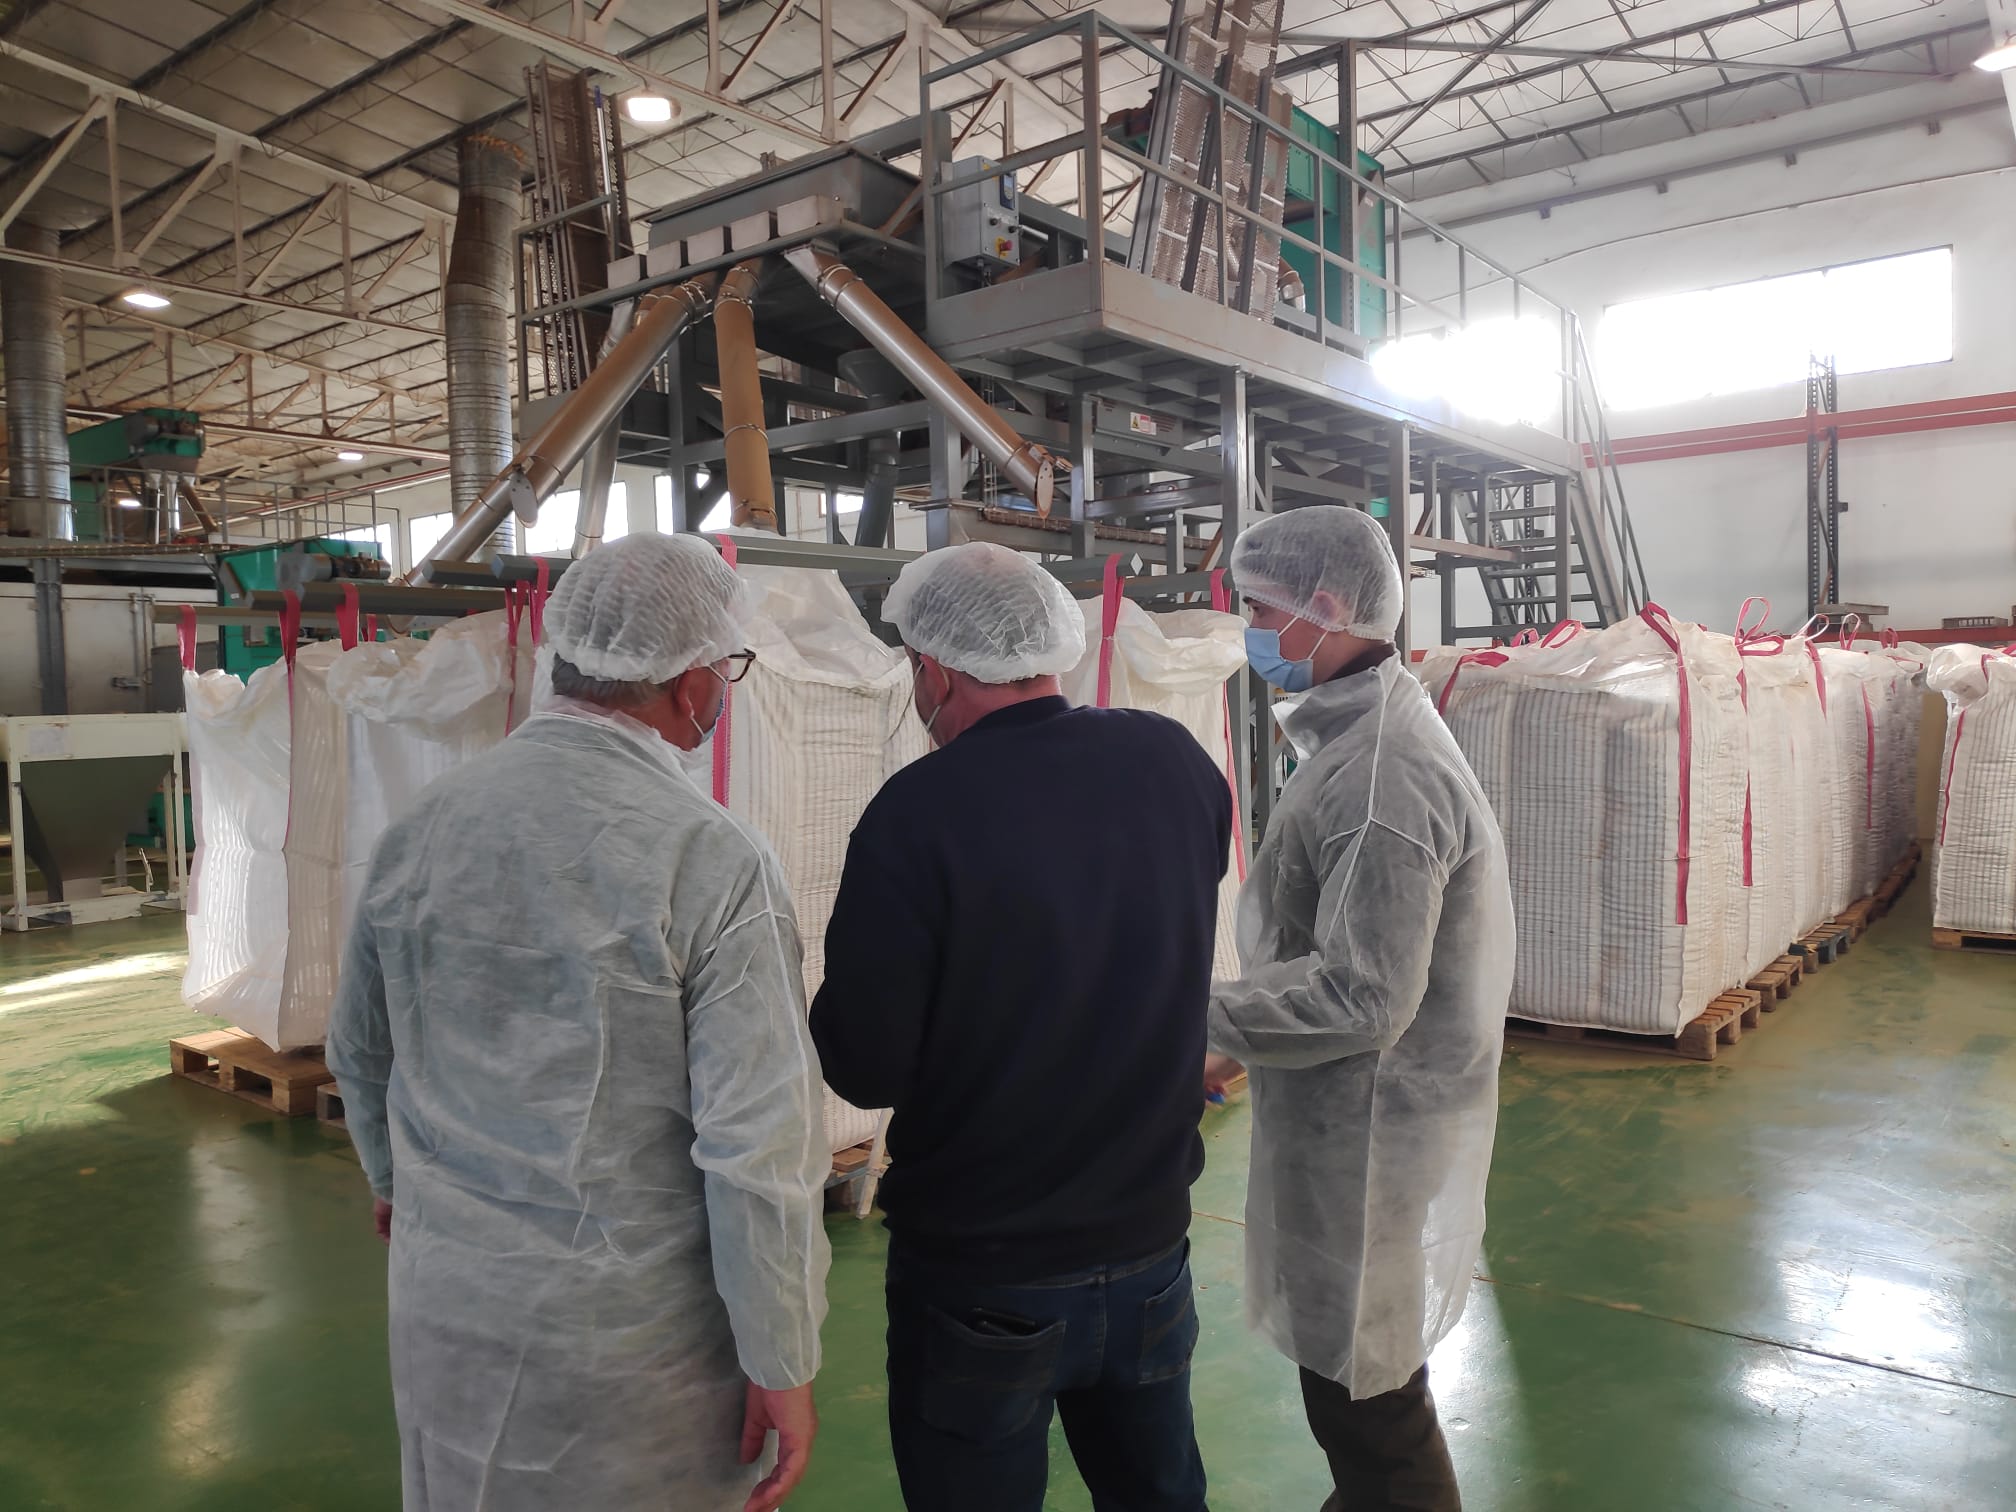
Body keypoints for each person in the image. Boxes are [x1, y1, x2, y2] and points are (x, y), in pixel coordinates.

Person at [327, 533, 832, 1512]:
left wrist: (394, 1180)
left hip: (450, 1312)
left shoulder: (423, 827)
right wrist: (781, 1355)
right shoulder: (711, 859)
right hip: (631, 1352)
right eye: (726, 669)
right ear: (690, 686)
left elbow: (360, 1047)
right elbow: (755, 1147)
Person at [810, 542, 1231, 1512]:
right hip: (1151, 1250)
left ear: (938, 668)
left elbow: (866, 1064)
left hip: (982, 1276)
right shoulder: (1173, 763)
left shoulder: (916, 813)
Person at [1204, 505, 1513, 1512]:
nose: (1251, 633)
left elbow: (1364, 993)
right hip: (1355, 1117)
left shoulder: (1382, 772)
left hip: (1372, 1132)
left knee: (1368, 1402)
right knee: (1354, 1386)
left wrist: (1197, 1021)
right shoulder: (1360, 736)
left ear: (1324, 608)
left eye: (1259, 610)